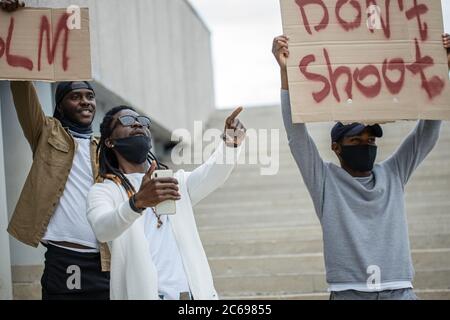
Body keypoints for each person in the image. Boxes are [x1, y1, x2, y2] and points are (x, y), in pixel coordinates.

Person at [271, 33, 450, 300]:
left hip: (399, 290)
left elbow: (428, 132)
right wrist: (285, 74)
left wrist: (442, 68)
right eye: (356, 140)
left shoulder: (393, 173)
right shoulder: (325, 181)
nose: (365, 144)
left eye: (370, 139)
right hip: (349, 292)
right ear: (337, 147)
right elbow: (296, 135)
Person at [2, 0, 110, 300]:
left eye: (90, 96)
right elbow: (22, 87)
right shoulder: (45, 132)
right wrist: (17, 25)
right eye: (76, 96)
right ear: (61, 103)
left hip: (106, 257)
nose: (86, 101)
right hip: (64, 258)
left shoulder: (106, 147)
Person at [86, 105, 246, 300]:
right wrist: (137, 203)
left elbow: (213, 174)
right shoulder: (104, 191)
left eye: (142, 121)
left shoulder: (173, 181)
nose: (137, 123)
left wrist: (230, 143)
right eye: (126, 121)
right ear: (110, 142)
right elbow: (103, 229)